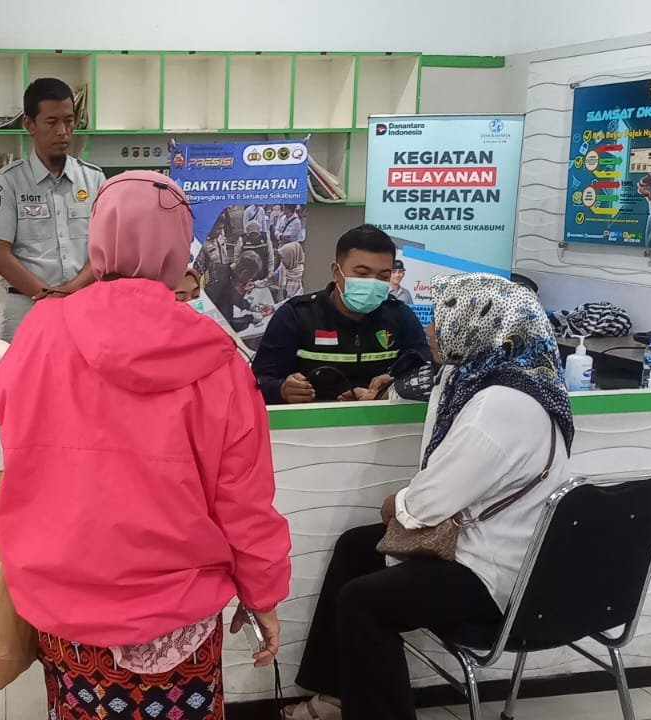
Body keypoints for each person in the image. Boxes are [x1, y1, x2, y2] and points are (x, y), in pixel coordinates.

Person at [0, 171, 290, 720]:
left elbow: (14, 424)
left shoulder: (41, 332)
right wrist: (262, 594)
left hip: (63, 598)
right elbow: (244, 502)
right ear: (179, 247)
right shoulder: (216, 358)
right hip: (178, 609)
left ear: (98, 237)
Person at [287, 273, 573, 720]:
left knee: (363, 601)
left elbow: (427, 505)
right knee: (356, 547)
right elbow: (419, 383)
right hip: (494, 549)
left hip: (492, 574)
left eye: (442, 320)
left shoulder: (499, 403)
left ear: (477, 326)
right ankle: (338, 696)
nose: (431, 330)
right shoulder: (495, 377)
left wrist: (396, 505)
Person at [0, 77, 106, 340]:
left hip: (82, 303)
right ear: (29, 124)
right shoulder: (8, 181)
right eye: (51, 122)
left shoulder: (94, 179)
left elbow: (104, 250)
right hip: (26, 306)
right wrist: (47, 297)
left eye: (69, 121)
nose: (63, 131)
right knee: (19, 367)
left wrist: (70, 290)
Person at [252, 224, 428, 405]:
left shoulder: (400, 316)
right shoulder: (297, 315)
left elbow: (429, 372)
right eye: (362, 274)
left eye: (383, 276)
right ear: (336, 272)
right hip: (311, 420)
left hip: (386, 421)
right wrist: (281, 390)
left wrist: (396, 388)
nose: (372, 283)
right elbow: (258, 381)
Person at [205, 250, 266, 333]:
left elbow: (230, 293)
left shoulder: (221, 270)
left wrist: (248, 305)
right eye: (250, 277)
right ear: (245, 273)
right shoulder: (222, 284)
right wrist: (250, 318)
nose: (249, 281)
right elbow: (226, 326)